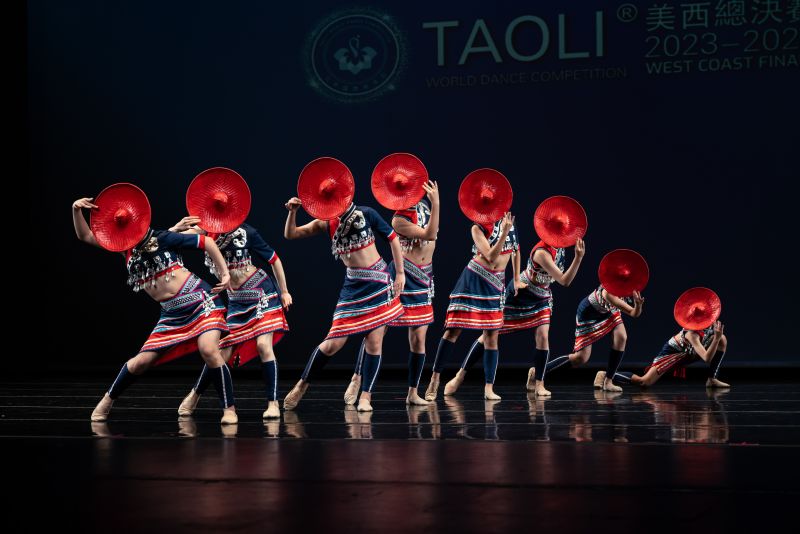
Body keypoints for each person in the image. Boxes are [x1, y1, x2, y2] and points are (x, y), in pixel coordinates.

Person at [72, 186, 237, 424]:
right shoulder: (125, 249)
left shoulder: (162, 237)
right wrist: (76, 210)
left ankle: (229, 410)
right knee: (141, 362)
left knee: (209, 350)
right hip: (171, 314)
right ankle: (106, 402)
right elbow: (86, 236)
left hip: (200, 301)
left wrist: (225, 274)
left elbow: (207, 243)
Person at [282, 188, 405, 412]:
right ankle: (302, 385)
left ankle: (365, 396)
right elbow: (291, 234)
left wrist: (400, 273)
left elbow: (393, 238)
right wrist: (293, 212)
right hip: (353, 286)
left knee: (374, 342)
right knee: (332, 343)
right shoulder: (325, 222)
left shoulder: (366, 213)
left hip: (378, 281)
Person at [172, 217, 292, 420]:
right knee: (221, 353)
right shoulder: (205, 231)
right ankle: (195, 394)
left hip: (262, 293)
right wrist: (176, 228)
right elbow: (170, 240)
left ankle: (273, 404)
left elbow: (274, 259)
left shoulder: (247, 232)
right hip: (237, 300)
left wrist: (285, 291)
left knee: (264, 345)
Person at [444, 237, 585, 398]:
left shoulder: (560, 247)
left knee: (543, 336)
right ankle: (459, 376)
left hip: (542, 297)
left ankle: (539, 383)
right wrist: (578, 258)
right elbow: (565, 281)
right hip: (521, 294)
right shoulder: (541, 252)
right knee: (489, 335)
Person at [345, 180, 440, 406]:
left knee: (419, 339)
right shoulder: (398, 219)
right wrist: (437, 204)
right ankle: (357, 378)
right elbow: (430, 234)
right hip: (404, 275)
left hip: (424, 276)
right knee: (377, 331)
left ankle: (413, 392)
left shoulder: (424, 206)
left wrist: (433, 204)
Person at [424, 210, 518, 401]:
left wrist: (516, 278)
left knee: (491, 336)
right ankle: (435, 378)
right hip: (475, 278)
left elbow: (516, 249)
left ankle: (489, 387)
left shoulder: (509, 222)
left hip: (496, 283)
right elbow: (491, 256)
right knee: (453, 331)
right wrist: (504, 233)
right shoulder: (477, 227)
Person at [543, 286, 644, 392]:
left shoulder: (624, 288)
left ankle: (608, 381)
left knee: (621, 336)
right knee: (581, 358)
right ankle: (538, 372)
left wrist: (638, 305)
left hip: (609, 311)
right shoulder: (608, 293)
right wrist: (636, 307)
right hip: (589, 314)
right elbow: (632, 313)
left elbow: (635, 313)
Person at [613, 321, 729, 388]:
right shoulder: (692, 334)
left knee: (722, 339)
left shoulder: (710, 323)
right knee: (644, 382)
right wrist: (716, 338)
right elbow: (707, 358)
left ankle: (712, 379)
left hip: (689, 354)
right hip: (672, 354)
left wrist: (718, 338)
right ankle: (608, 375)